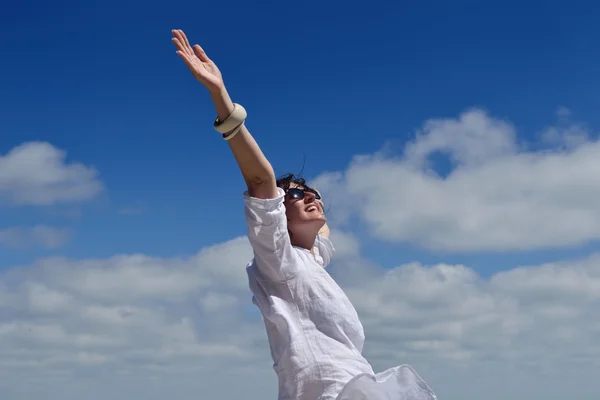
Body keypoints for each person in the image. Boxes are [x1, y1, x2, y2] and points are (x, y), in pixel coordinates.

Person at [171, 29, 437, 400]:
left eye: (314, 193)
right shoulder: (279, 261)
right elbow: (260, 179)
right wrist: (221, 98)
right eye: (295, 194)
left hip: (362, 387)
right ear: (278, 212)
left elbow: (323, 233)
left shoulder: (313, 258)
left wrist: (309, 199)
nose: (309, 197)